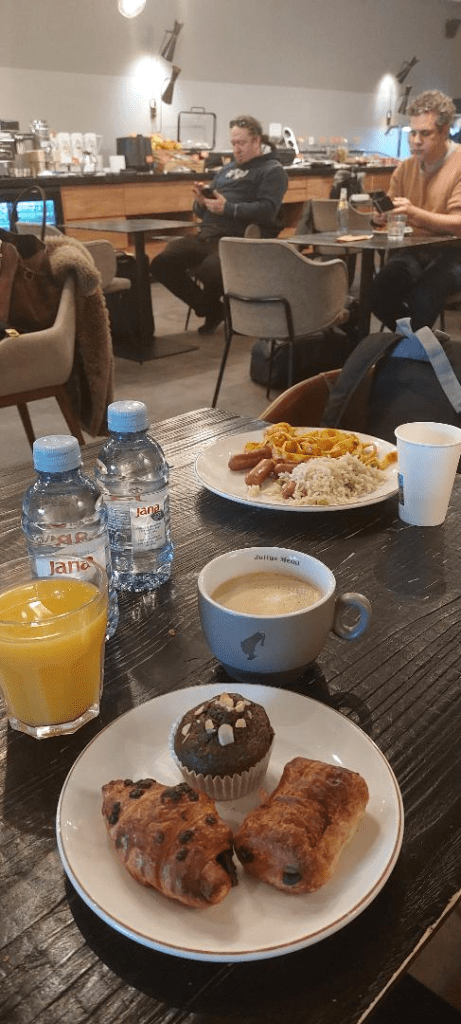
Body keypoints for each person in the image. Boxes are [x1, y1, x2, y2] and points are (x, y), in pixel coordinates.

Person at [150, 116, 288, 334]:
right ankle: (212, 309)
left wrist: (228, 208)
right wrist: (201, 202)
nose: (237, 149)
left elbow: (267, 211)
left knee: (210, 269)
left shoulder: (272, 170)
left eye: (242, 143)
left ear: (256, 141)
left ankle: (226, 311)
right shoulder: (226, 170)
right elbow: (203, 211)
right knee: (161, 264)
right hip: (208, 235)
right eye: (233, 143)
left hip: (239, 239)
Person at [371, 89, 461, 331]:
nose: (416, 140)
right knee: (377, 292)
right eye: (412, 133)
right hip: (417, 250)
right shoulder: (406, 168)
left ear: (444, 131)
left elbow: (458, 224)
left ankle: (414, 347)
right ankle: (420, 346)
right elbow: (392, 211)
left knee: (424, 295)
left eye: (425, 133)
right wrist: (382, 217)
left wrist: (414, 213)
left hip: (455, 252)